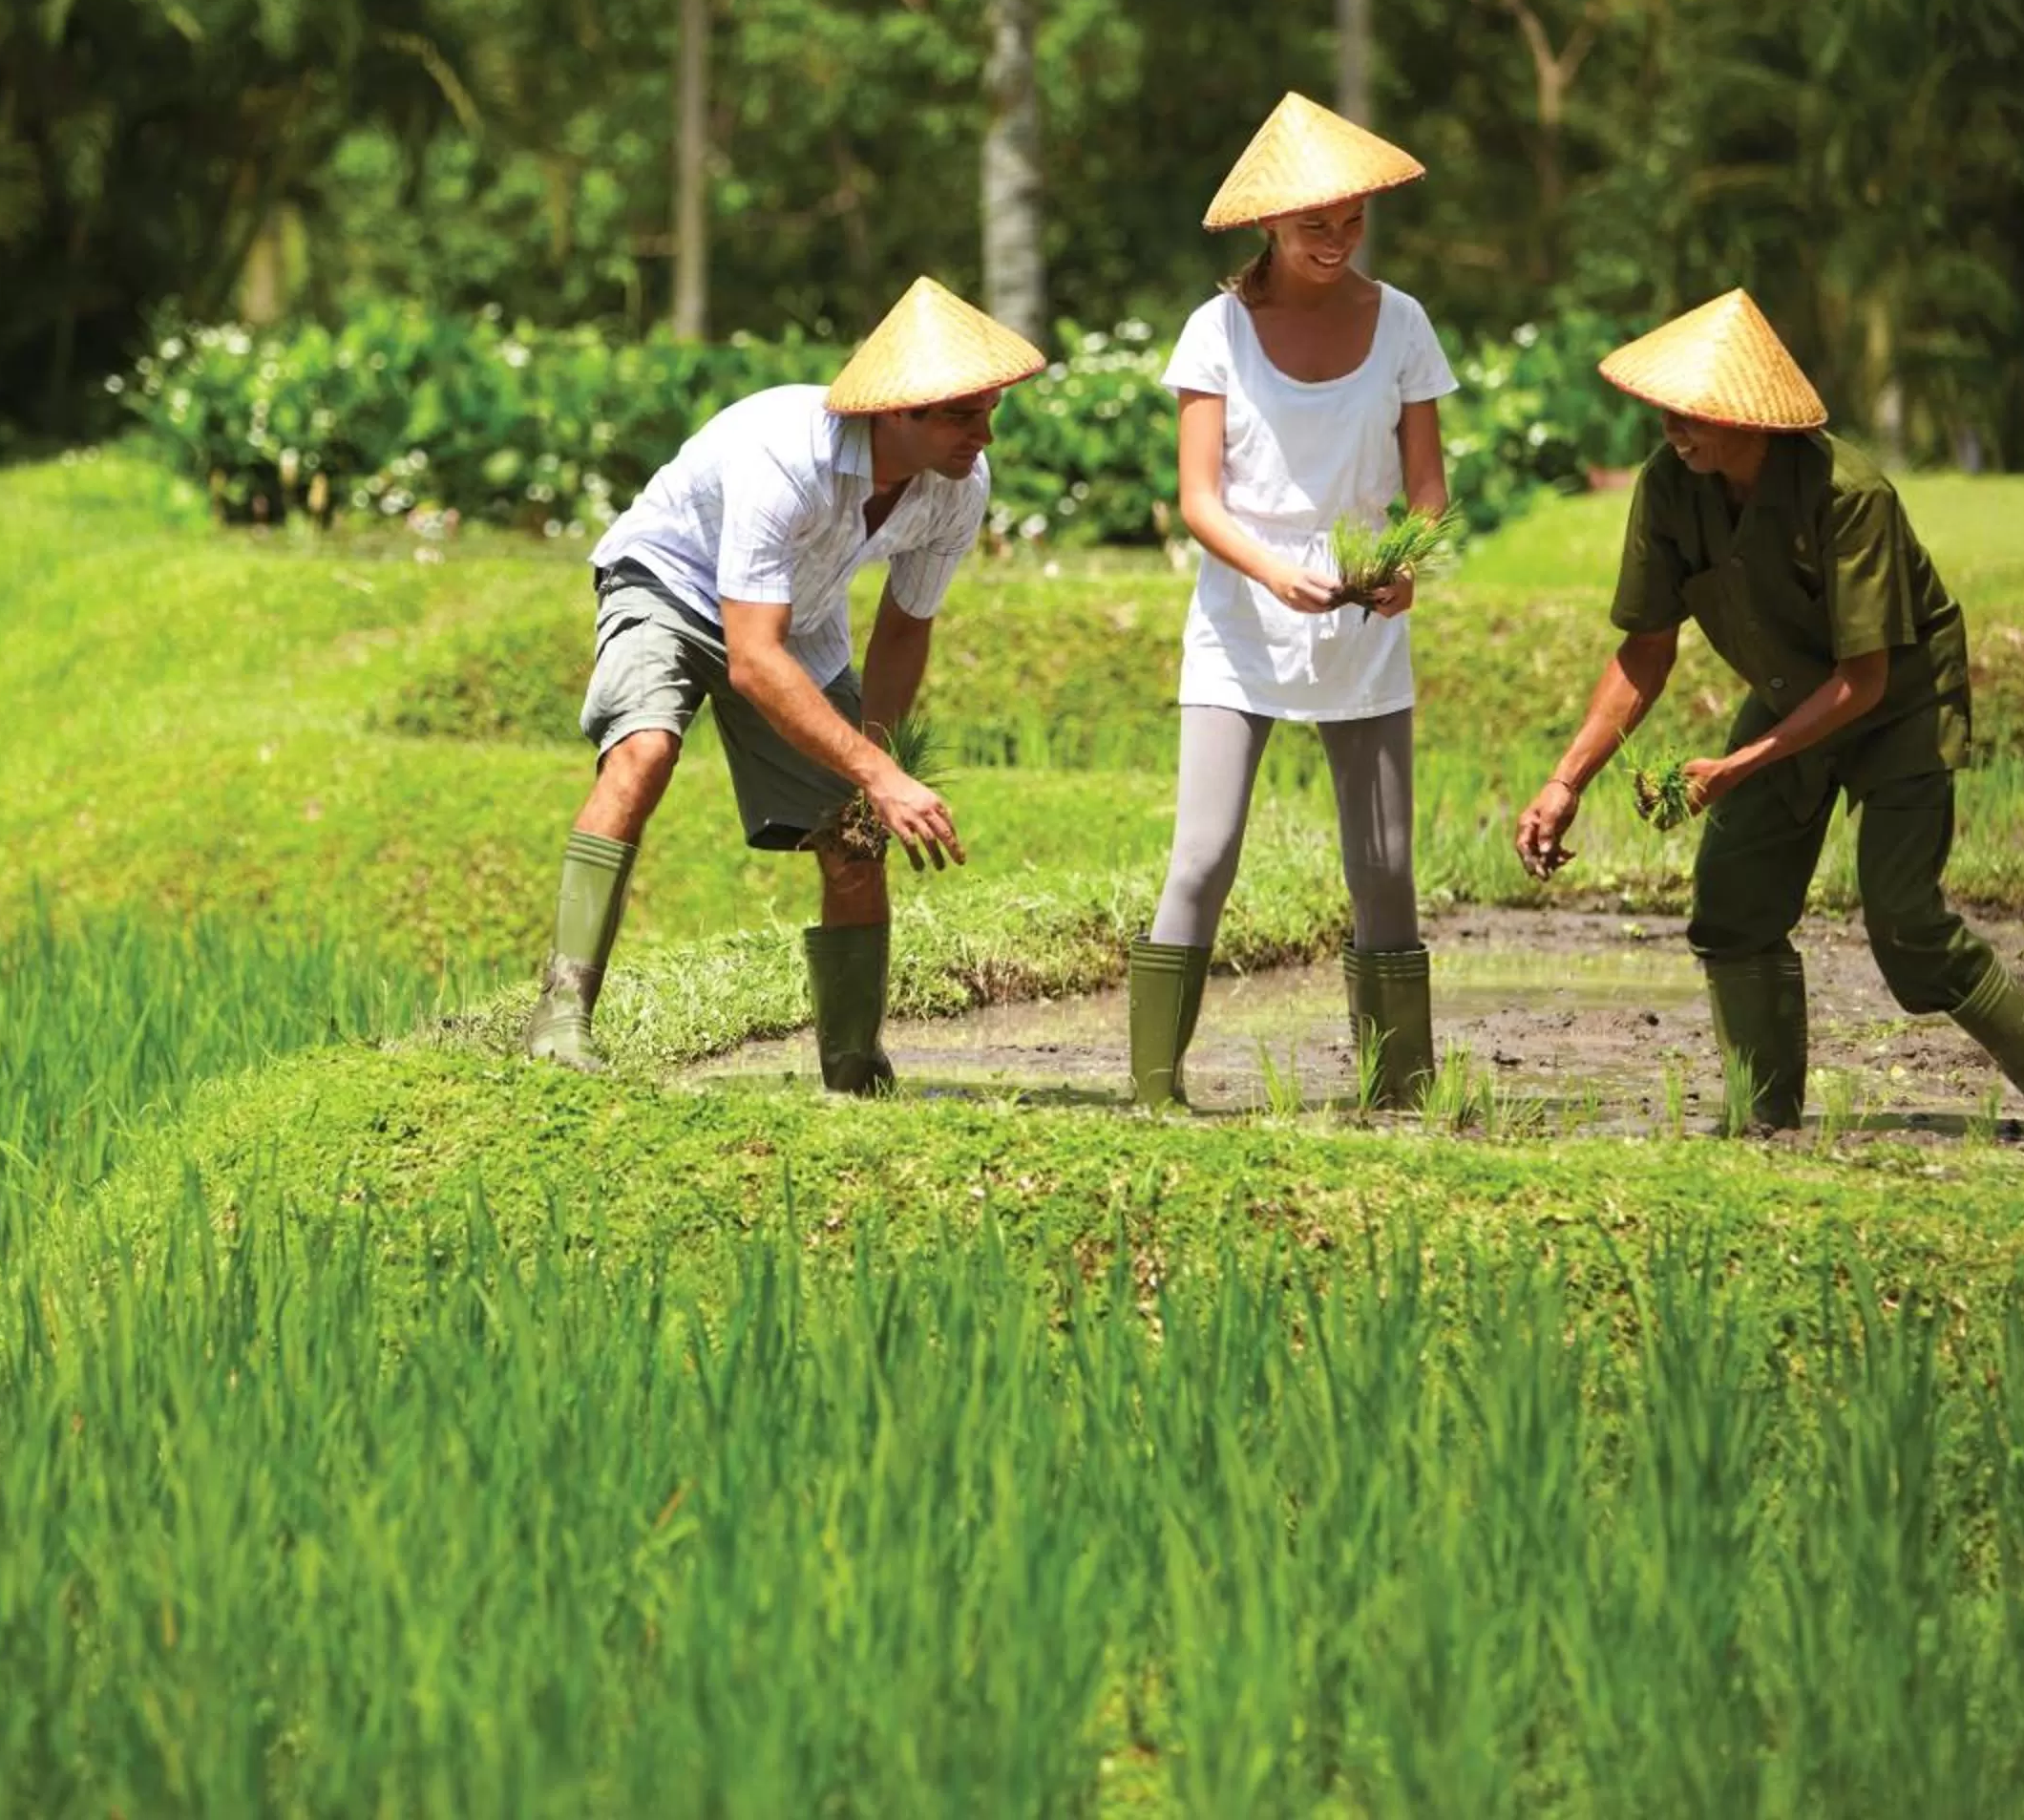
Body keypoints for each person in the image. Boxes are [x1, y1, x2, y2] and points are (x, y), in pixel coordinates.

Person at [1512, 288, 2024, 1139]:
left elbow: (1863, 681)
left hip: (1897, 704)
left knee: (1906, 923)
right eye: (1664, 414)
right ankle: (1767, 1128)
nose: (1673, 432)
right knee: (1731, 906)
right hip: (1792, 698)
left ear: (1752, 418)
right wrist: (1565, 780)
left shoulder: (1849, 494)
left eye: (1693, 416)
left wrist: (1734, 768)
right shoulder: (1669, 487)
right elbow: (1646, 652)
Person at [521, 276, 1044, 1091]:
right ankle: (559, 1020)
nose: (983, 435)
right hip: (668, 581)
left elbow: (905, 627)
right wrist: (879, 773)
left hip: (796, 616)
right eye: (960, 415)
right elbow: (752, 661)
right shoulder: (786, 453)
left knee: (852, 837)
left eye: (990, 412)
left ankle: (855, 1067)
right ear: (894, 410)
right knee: (645, 753)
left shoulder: (957, 487)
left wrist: (877, 765)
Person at [1128, 92, 1459, 1110]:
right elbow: (1198, 500)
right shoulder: (1216, 330)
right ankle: (1151, 1092)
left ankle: (1398, 1092)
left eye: (1352, 219)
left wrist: (1403, 562)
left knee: (1386, 867)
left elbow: (1430, 492)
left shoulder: (1400, 320)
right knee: (1204, 852)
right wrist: (1271, 572)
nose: (1338, 239)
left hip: (1361, 620)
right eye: (1317, 223)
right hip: (1240, 621)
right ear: (1268, 223)